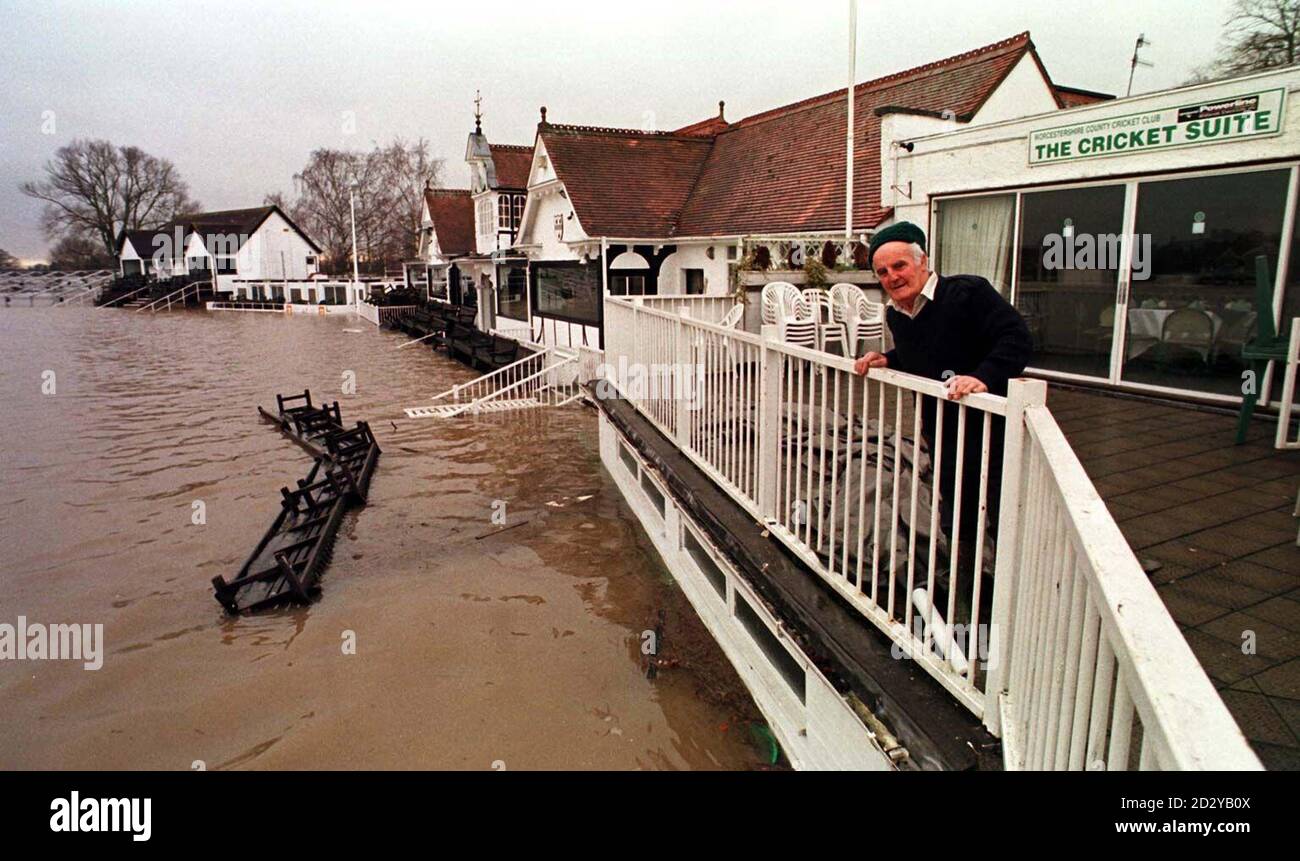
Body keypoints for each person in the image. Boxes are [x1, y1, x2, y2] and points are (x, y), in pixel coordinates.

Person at [853, 221, 1032, 575]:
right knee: (954, 497)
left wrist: (983, 376)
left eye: (899, 266)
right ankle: (964, 574)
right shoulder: (897, 314)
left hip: (992, 425)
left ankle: (1013, 578)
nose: (892, 277)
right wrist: (889, 358)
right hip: (942, 426)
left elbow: (1016, 338)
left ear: (923, 261)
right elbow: (925, 353)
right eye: (882, 272)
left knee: (1000, 501)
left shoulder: (968, 292)